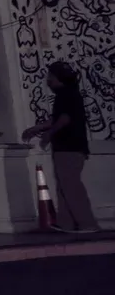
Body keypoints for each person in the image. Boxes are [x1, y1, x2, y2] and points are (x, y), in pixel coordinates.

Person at [22, 61, 99, 232]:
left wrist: (49, 134)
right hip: (69, 148)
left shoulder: (66, 95)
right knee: (65, 186)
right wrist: (38, 128)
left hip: (69, 148)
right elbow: (58, 118)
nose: (48, 80)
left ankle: (87, 223)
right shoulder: (69, 95)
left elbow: (64, 118)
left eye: (50, 76)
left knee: (71, 187)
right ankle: (67, 223)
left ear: (59, 78)